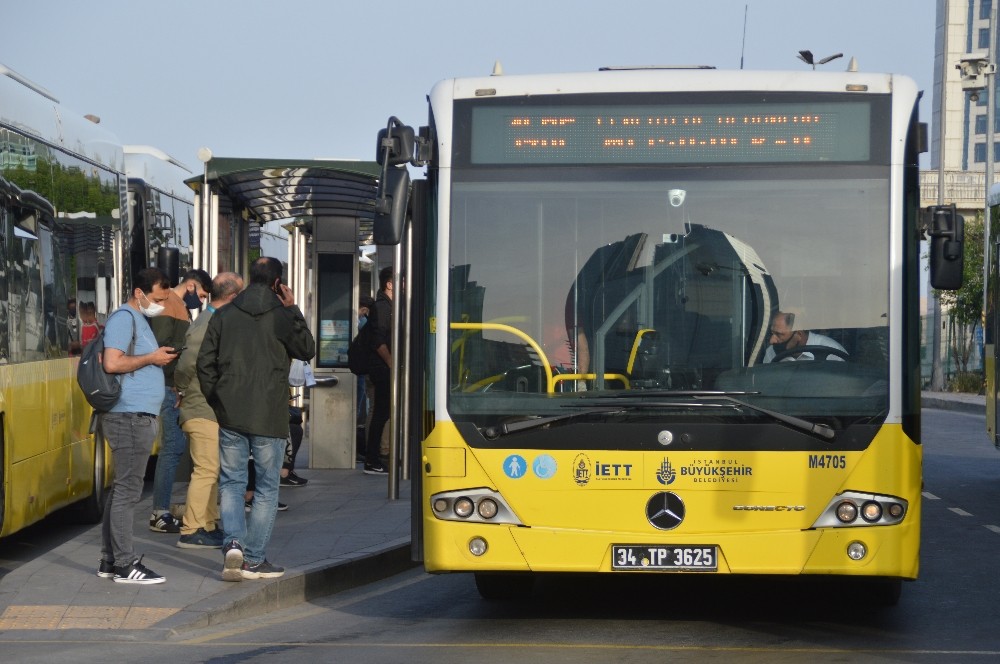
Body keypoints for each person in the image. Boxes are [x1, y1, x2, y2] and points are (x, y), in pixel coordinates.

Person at [197, 257, 315, 582]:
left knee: (232, 483)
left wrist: (218, 401)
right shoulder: (281, 316)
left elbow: (204, 363)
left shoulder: (224, 315)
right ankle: (253, 559)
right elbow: (307, 349)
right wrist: (292, 309)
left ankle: (233, 542)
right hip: (269, 415)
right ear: (278, 283)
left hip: (231, 414)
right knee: (265, 487)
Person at [97, 267, 177, 584]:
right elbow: (112, 362)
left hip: (135, 415)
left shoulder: (139, 319)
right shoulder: (124, 318)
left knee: (121, 490)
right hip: (128, 416)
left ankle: (109, 561)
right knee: (128, 492)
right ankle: (125, 565)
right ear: (139, 293)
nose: (161, 303)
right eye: (158, 297)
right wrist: (152, 359)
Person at [173, 271, 243, 549]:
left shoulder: (213, 319)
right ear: (233, 296)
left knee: (212, 467)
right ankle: (191, 529)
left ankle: (208, 523)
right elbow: (187, 362)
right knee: (206, 469)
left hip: (206, 406)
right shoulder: (209, 323)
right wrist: (181, 389)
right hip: (199, 405)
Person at [148, 268, 212, 534]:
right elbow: (162, 346)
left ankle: (160, 509)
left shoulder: (175, 305)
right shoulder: (170, 305)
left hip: (169, 384)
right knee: (172, 447)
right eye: (202, 294)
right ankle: (159, 512)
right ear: (191, 285)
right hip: (167, 384)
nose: (202, 300)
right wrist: (177, 384)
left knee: (173, 447)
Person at [363, 268, 393, 475]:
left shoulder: (389, 306)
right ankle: (372, 459)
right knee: (380, 413)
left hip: (383, 368)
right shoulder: (382, 307)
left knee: (383, 413)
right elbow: (378, 340)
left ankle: (374, 457)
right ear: (389, 284)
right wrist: (391, 363)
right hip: (381, 369)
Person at [763, 310, 847, 363]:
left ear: (799, 334)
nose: (772, 340)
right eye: (772, 333)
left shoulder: (832, 352)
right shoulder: (771, 352)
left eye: (779, 334)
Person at [355, 294, 375, 464]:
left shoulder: (362, 321)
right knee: (362, 407)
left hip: (361, 371)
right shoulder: (362, 322)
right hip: (362, 370)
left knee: (363, 406)